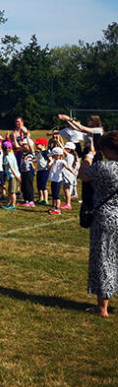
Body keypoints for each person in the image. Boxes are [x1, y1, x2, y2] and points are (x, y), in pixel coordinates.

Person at [78, 131, 118, 317]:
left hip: (105, 218)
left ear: (109, 149)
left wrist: (90, 154)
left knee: (104, 259)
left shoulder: (104, 168)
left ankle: (102, 308)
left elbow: (83, 174)